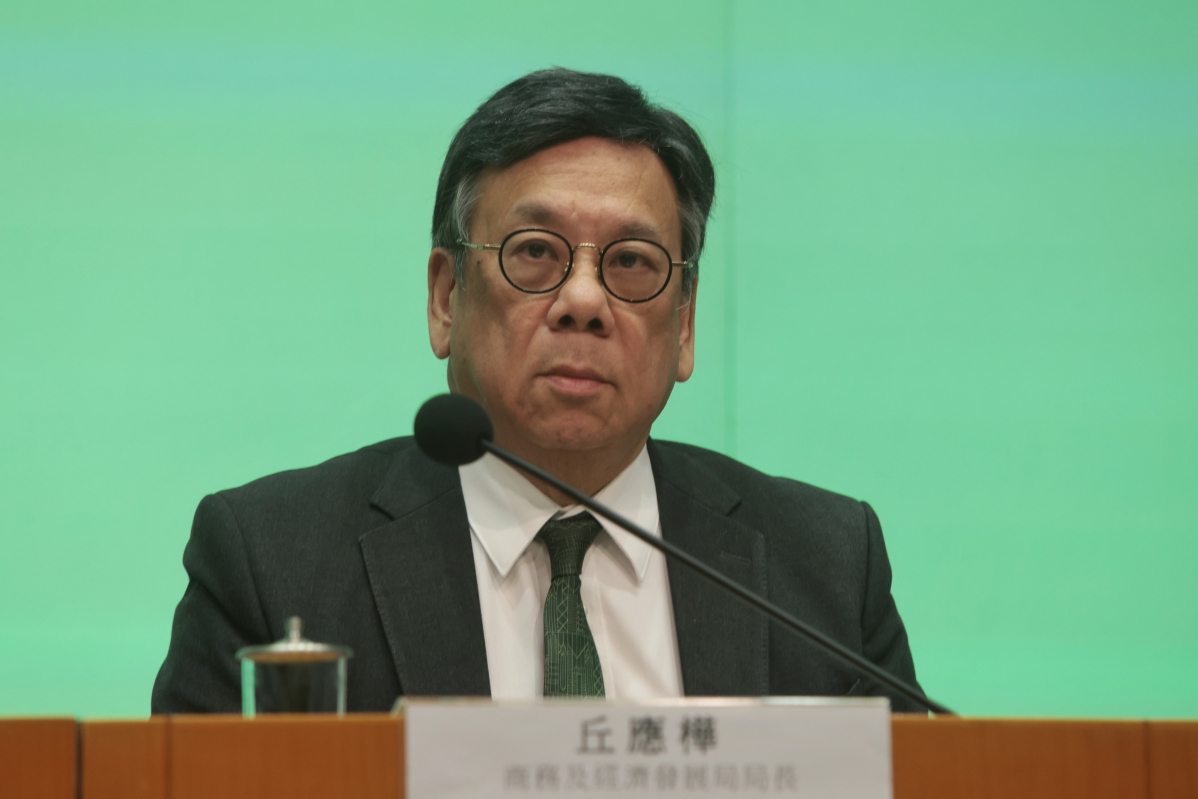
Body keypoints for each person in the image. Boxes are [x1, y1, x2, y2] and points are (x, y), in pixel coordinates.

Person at [152, 68, 924, 713]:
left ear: (685, 322)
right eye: (534, 252)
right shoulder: (270, 562)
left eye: (631, 262)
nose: (583, 301)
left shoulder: (825, 570)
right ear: (445, 297)